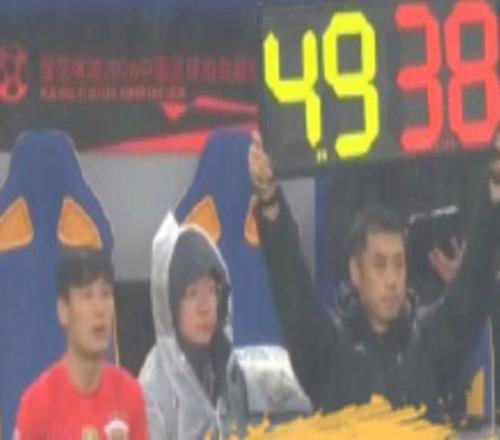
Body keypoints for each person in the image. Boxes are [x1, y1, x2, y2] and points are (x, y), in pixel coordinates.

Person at [248, 131, 500, 420]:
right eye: (380, 265)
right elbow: (292, 288)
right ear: (356, 272)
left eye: (399, 264)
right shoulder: (328, 352)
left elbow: (474, 283)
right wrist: (269, 200)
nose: (392, 280)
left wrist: (495, 188)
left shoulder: (429, 344)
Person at [14, 247, 148, 439]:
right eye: (87, 296)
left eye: (106, 294)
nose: (100, 309)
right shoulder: (37, 404)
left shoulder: (130, 395)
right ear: (63, 310)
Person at [139, 214, 244, 440]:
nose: (205, 307)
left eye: (211, 290)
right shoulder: (153, 385)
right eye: (192, 293)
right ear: (170, 303)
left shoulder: (229, 367)